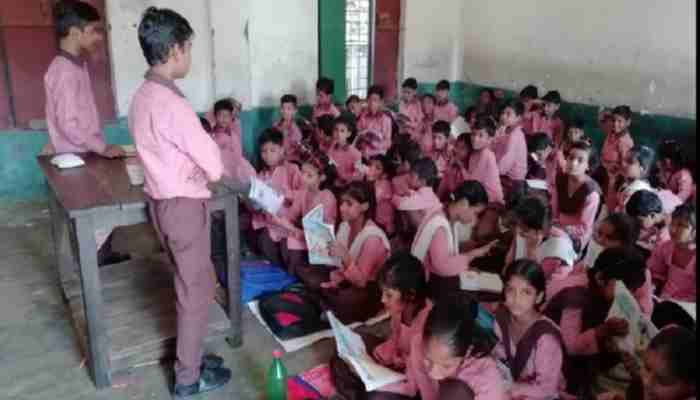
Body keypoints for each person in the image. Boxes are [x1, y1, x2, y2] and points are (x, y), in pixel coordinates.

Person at [128, 6, 231, 396]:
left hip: (160, 206)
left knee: (191, 284)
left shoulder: (142, 97)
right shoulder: (174, 105)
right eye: (188, 48)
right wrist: (202, 167)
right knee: (195, 292)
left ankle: (193, 356)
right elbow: (214, 166)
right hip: (185, 209)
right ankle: (188, 378)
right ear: (174, 50)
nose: (189, 56)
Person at [45, 0, 128, 266]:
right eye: (93, 30)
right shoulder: (64, 71)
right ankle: (93, 260)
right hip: (77, 156)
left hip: (85, 150)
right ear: (74, 32)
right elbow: (68, 124)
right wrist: (102, 147)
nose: (99, 37)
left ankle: (102, 254)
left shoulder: (74, 65)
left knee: (100, 204)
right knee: (94, 206)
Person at [542, 247, 647, 397]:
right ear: (600, 278)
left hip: (582, 365)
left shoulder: (606, 296)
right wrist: (603, 331)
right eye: (625, 288)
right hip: (553, 363)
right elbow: (571, 347)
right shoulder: (575, 298)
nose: (629, 295)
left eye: (633, 290)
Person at [330, 251, 433, 399]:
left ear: (410, 295)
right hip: (398, 364)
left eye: (389, 295)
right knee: (346, 350)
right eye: (383, 293)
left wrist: (374, 381)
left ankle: (360, 388)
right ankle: (359, 386)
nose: (383, 300)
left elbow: (411, 388)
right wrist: (382, 357)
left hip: (413, 381)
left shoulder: (426, 327)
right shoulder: (399, 309)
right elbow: (395, 339)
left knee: (374, 395)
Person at [377, 296, 506, 400]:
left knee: (455, 392)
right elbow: (426, 395)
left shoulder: (486, 377)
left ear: (466, 352)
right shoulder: (418, 344)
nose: (433, 374)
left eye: (446, 366)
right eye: (428, 360)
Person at [316, 182, 391, 323]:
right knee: (315, 278)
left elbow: (361, 282)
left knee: (344, 299)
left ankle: (333, 310)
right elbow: (338, 264)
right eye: (341, 203)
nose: (342, 208)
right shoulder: (345, 226)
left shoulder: (373, 237)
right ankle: (330, 308)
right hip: (349, 281)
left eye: (349, 204)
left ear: (365, 206)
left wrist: (345, 257)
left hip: (370, 290)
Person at [493, 259, 565, 399]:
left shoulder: (546, 338)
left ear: (538, 297)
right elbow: (501, 353)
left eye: (526, 292)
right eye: (510, 290)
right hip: (512, 380)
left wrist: (511, 389)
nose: (516, 299)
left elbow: (547, 388)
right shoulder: (502, 319)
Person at [269, 152, 338, 277]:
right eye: (302, 172)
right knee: (280, 237)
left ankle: (295, 278)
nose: (303, 178)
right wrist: (276, 214)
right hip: (307, 237)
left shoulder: (327, 198)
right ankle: (290, 276)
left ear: (322, 178)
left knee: (290, 243)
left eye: (309, 175)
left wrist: (289, 227)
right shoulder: (304, 192)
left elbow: (319, 238)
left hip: (322, 247)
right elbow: (291, 215)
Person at [598, 326, 697, 400]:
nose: (647, 383)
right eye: (647, 368)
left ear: (690, 387)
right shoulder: (639, 387)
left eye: (662, 381)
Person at [251, 128, 303, 266]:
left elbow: (303, 194)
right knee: (264, 243)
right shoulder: (261, 175)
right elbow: (256, 203)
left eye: (272, 150)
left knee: (288, 252)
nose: (268, 155)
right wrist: (256, 205)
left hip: (289, 224)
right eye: (264, 151)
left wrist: (285, 194)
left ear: (281, 150)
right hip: (270, 224)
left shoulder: (292, 169)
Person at [553, 140, 602, 251]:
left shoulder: (591, 192)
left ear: (588, 166)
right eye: (571, 158)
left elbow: (584, 227)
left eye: (580, 160)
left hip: (576, 237)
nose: (573, 163)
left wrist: (562, 230)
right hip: (557, 227)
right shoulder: (560, 178)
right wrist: (553, 224)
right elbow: (554, 208)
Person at [647, 203, 696, 303]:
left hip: (687, 307)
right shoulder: (666, 248)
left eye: (681, 225)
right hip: (663, 300)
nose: (673, 229)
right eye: (672, 223)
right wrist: (651, 288)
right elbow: (655, 273)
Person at [617, 145, 682, 215]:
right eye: (624, 160)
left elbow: (627, 216)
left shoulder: (638, 191)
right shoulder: (628, 184)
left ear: (644, 169)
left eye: (630, 162)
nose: (623, 164)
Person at [600, 106, 635, 212]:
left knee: (609, 209)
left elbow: (626, 168)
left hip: (614, 182)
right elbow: (601, 118)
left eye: (620, 121)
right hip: (604, 176)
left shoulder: (625, 142)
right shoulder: (612, 133)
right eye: (614, 120)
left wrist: (615, 184)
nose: (615, 124)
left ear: (628, 122)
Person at [465, 114, 504, 205]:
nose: (475, 139)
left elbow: (472, 182)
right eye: (473, 134)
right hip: (479, 197)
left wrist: (459, 164)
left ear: (489, 139)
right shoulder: (474, 153)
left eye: (480, 135)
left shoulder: (486, 154)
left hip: (492, 201)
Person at [493, 100, 528, 197]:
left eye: (508, 114)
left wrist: (490, 169)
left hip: (512, 182)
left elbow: (502, 168)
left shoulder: (515, 136)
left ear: (518, 118)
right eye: (503, 113)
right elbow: (493, 147)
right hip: (502, 174)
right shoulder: (505, 130)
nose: (503, 116)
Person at [626, 190, 672, 257]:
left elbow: (657, 254)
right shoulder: (658, 219)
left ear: (652, 215)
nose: (636, 224)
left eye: (638, 221)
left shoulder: (666, 235)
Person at [357, 85, 393, 159]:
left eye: (375, 100)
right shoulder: (363, 117)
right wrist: (362, 137)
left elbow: (388, 143)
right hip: (363, 154)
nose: (371, 103)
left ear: (381, 102)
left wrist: (375, 144)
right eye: (369, 100)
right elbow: (358, 134)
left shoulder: (386, 119)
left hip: (378, 155)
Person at [328, 114, 363, 188]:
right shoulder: (332, 146)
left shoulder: (355, 153)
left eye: (342, 131)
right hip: (332, 181)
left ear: (348, 134)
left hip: (346, 186)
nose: (338, 134)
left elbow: (359, 176)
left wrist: (345, 178)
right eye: (336, 129)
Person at [367, 154, 397, 237]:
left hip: (383, 226)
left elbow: (369, 201)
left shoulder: (384, 185)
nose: (371, 168)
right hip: (376, 222)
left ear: (384, 175)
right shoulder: (375, 182)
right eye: (370, 165)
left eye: (377, 168)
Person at [273, 94, 304, 161]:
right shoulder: (276, 125)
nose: (285, 111)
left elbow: (295, 153)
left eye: (289, 109)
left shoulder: (296, 132)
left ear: (295, 111)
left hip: (290, 160)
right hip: (276, 157)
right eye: (283, 108)